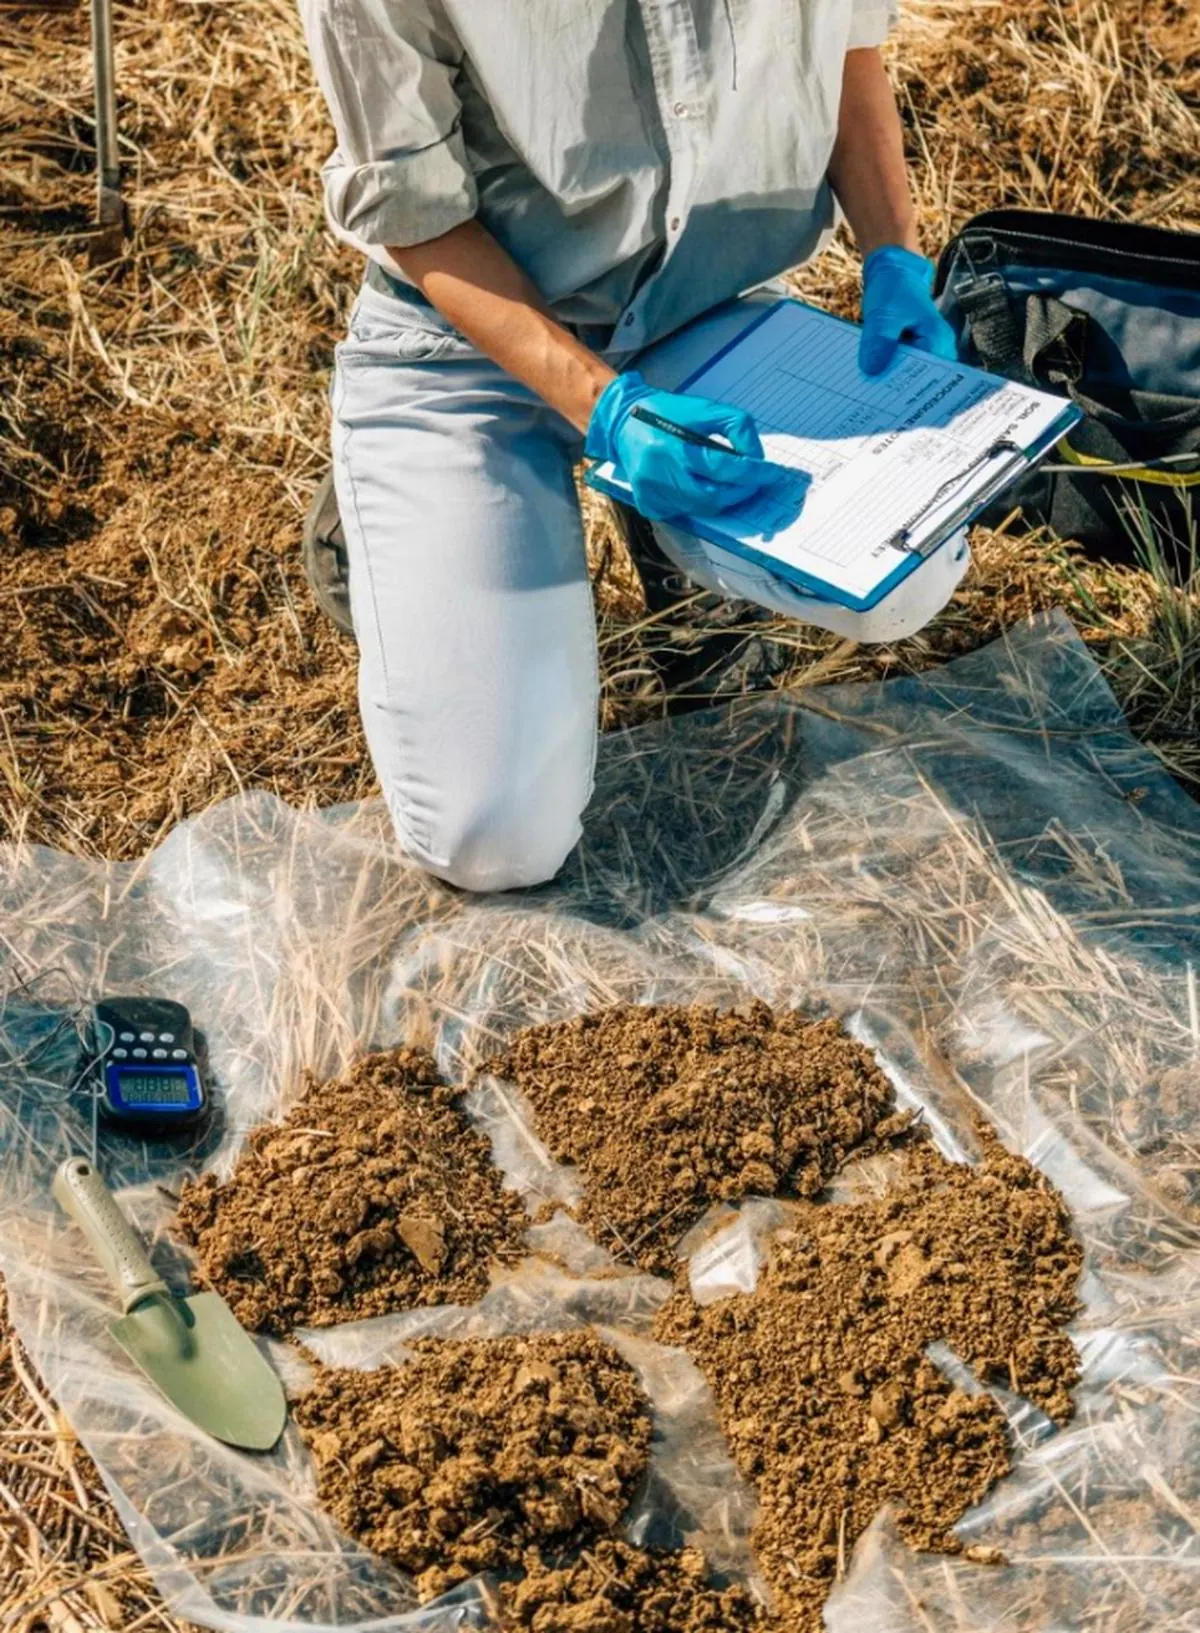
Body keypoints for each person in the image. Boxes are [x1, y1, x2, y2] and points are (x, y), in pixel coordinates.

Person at [297, 1, 957, 893]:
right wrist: (605, 407)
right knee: (494, 838)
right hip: (468, 344)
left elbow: (845, 47)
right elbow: (412, 209)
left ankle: (664, 528)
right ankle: (381, 524)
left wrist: (894, 256)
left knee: (904, 581)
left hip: (699, 304)